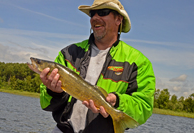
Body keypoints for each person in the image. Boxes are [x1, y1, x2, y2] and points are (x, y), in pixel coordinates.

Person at [39, 0, 156, 133]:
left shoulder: (138, 62)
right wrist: (53, 92)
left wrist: (117, 101)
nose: (95, 17)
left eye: (103, 12)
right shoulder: (68, 53)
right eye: (92, 13)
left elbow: (144, 108)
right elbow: (45, 103)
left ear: (118, 19)